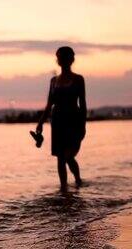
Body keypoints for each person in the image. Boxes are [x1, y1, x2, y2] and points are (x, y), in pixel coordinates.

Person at [35, 46, 87, 191]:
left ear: (71, 59)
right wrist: (40, 123)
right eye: (60, 57)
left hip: (73, 121)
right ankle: (63, 189)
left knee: (69, 156)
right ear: (57, 59)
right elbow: (49, 104)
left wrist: (83, 126)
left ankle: (78, 181)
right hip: (57, 121)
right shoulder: (53, 81)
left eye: (65, 57)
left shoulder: (78, 79)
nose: (62, 59)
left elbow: (82, 104)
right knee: (60, 157)